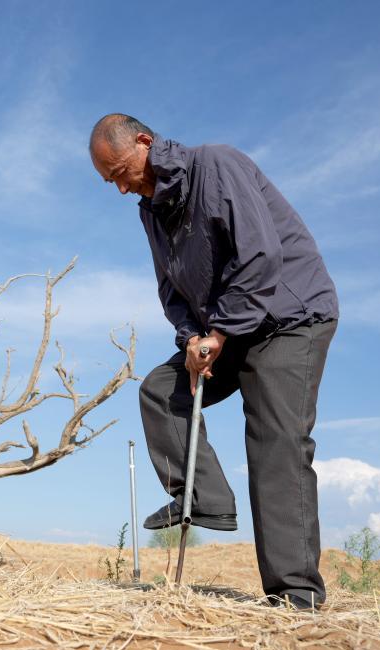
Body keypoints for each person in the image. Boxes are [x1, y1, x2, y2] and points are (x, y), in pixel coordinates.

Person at [89, 113, 339, 611]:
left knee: (275, 442)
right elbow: (171, 287)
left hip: (288, 317)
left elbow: (260, 256)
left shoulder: (217, 165)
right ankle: (203, 497)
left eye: (121, 172)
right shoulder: (151, 210)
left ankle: (296, 595)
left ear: (144, 142)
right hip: (230, 328)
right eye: (110, 181)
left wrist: (220, 331)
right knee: (161, 391)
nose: (121, 188)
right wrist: (192, 338)